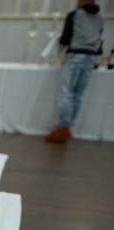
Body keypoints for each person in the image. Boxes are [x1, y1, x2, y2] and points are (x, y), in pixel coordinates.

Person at [45, 0, 105, 143]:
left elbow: (65, 38)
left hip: (76, 55)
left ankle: (63, 127)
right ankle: (66, 126)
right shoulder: (100, 17)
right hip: (91, 57)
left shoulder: (75, 14)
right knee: (78, 95)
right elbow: (99, 38)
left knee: (66, 92)